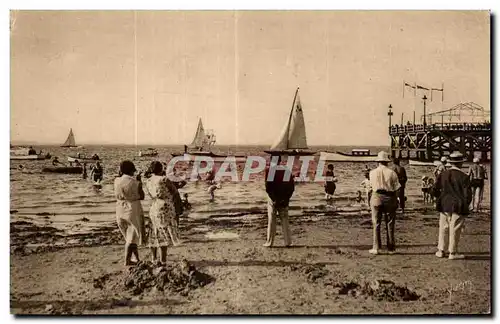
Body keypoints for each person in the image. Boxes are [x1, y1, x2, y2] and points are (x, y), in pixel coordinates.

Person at [433, 152, 473, 260]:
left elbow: (435, 188)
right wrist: (466, 205)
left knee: (443, 227)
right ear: (460, 163)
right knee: (455, 228)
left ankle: (441, 250)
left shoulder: (444, 174)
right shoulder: (464, 177)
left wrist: (439, 198)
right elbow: (468, 195)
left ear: (450, 162)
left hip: (444, 203)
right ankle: (453, 252)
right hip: (458, 205)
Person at [144, 161, 182, 264]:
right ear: (161, 169)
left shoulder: (148, 181)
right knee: (163, 233)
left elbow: (150, 194)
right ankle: (163, 260)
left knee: (153, 232)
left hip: (154, 205)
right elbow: (174, 191)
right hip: (165, 206)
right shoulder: (164, 179)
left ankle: (153, 258)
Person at [114, 160, 146, 266]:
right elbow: (142, 196)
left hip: (120, 207)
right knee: (132, 236)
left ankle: (136, 258)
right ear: (132, 170)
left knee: (129, 236)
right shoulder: (134, 183)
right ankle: (127, 261)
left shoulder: (116, 180)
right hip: (132, 208)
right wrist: (140, 183)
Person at [368, 151, 400, 255]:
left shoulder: (372, 172)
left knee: (376, 223)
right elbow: (397, 188)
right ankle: (391, 248)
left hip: (377, 196)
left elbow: (370, 187)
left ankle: (376, 247)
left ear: (378, 162)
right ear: (387, 162)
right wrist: (397, 199)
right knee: (390, 223)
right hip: (389, 197)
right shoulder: (392, 173)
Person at [264, 155, 295, 248]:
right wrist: (285, 199)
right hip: (284, 199)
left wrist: (274, 199)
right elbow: (291, 187)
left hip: (273, 199)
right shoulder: (287, 170)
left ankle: (269, 243)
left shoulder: (269, 170)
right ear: (280, 161)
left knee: (271, 221)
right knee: (285, 220)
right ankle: (288, 242)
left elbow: (268, 188)